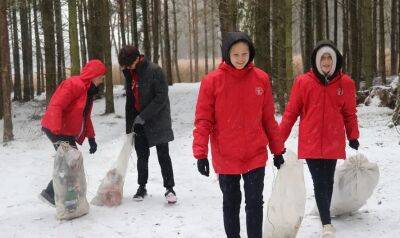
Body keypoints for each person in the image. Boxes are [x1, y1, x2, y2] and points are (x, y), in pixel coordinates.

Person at [193, 32, 285, 238]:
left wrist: (277, 150)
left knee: (254, 203)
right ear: (227, 54)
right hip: (226, 155)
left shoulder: (261, 78)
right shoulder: (212, 81)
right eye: (236, 54)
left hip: (255, 154)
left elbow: (268, 118)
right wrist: (200, 154)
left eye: (245, 53)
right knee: (231, 203)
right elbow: (203, 120)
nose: (241, 58)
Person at [279, 40, 360, 238]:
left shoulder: (346, 84)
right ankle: (326, 222)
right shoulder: (303, 82)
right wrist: (278, 139)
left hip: (333, 140)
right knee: (319, 181)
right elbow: (290, 113)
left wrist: (353, 135)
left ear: (335, 61)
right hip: (311, 141)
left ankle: (325, 215)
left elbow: (350, 113)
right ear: (316, 60)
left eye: (329, 58)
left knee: (328, 180)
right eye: (322, 57)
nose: (326, 61)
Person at [39, 59, 107, 206]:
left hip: (64, 130)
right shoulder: (74, 84)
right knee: (72, 162)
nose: (102, 80)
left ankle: (61, 196)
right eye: (101, 76)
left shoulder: (88, 92)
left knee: (71, 163)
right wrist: (57, 129)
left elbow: (85, 117)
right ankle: (52, 194)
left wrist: (91, 138)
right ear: (94, 75)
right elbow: (56, 104)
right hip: (55, 128)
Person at [118, 45, 177, 204]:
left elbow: (161, 97)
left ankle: (169, 188)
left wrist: (144, 116)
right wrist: (130, 126)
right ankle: (141, 186)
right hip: (139, 123)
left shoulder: (155, 71)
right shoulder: (130, 73)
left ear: (137, 58)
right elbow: (130, 101)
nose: (127, 67)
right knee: (141, 156)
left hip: (158, 120)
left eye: (128, 64)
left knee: (163, 155)